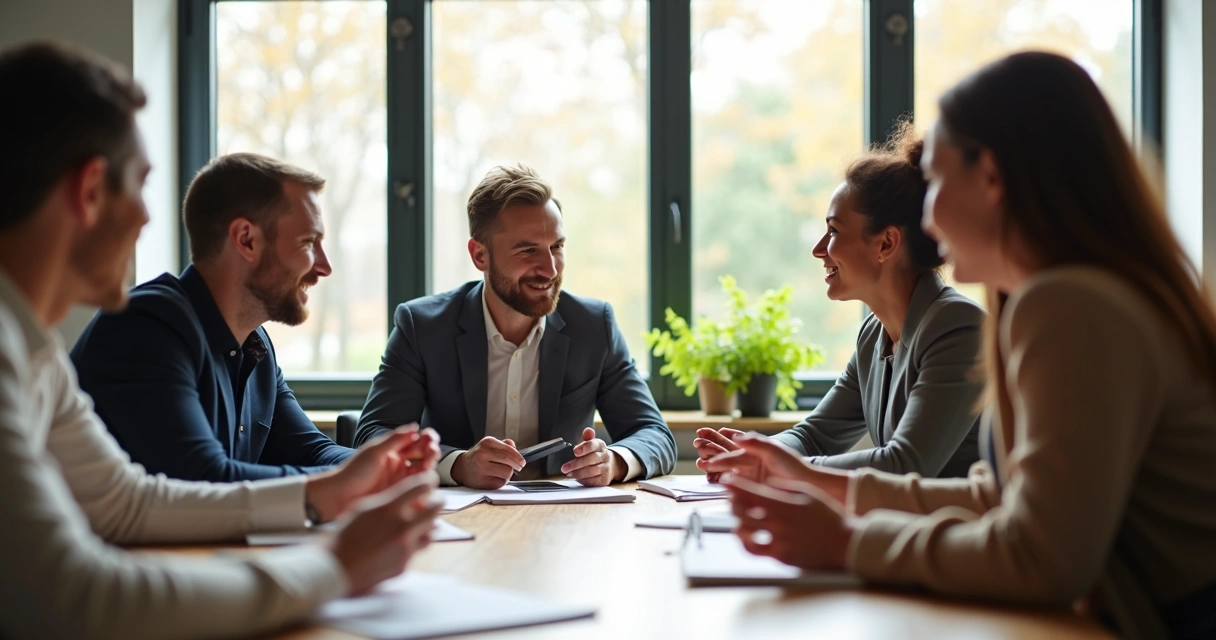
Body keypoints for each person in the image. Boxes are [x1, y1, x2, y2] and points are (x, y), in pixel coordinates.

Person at [712, 51, 1216, 640]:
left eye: (937, 180)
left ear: (993, 178)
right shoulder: (1061, 297)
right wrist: (817, 482)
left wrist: (847, 543)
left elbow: (1041, 559)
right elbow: (999, 498)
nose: (927, 217)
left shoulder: (1070, 304)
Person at [0, 41, 443, 640]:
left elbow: (127, 503)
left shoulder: (34, 351)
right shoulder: (133, 325)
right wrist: (333, 567)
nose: (148, 220)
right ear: (90, 190)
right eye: (140, 186)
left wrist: (337, 487)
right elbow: (77, 597)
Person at [356, 164, 676, 489]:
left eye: (557, 247)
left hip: (565, 524)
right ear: (480, 255)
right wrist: (458, 465)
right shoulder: (422, 327)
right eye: (528, 250)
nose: (550, 270)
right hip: (459, 523)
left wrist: (615, 461)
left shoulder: (594, 326)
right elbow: (373, 436)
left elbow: (655, 435)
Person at [696, 123, 983, 480]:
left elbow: (905, 464)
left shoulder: (958, 327)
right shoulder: (873, 335)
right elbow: (815, 436)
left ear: (886, 244)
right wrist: (753, 451)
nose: (819, 249)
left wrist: (777, 466)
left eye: (833, 231)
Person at [71, 152, 357, 481]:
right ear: (246, 240)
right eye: (308, 242)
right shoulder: (146, 328)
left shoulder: (254, 344)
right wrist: (347, 484)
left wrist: (391, 465)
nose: (324, 267)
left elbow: (313, 452)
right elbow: (202, 481)